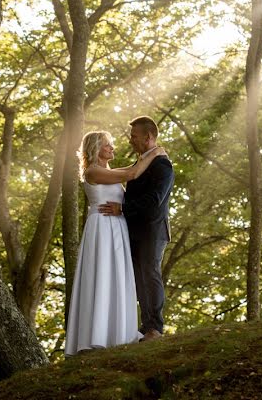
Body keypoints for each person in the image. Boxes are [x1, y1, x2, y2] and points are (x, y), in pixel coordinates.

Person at [64, 130, 166, 356]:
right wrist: (155, 152)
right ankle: (96, 335)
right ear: (95, 149)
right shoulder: (92, 171)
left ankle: (116, 332)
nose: (112, 149)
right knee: (102, 276)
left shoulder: (108, 171)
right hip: (102, 228)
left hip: (117, 228)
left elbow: (133, 174)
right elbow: (132, 173)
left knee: (117, 277)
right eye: (108, 145)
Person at [99, 116, 174, 341]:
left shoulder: (162, 165)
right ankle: (144, 327)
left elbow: (155, 199)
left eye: (134, 136)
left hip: (153, 230)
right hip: (133, 231)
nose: (131, 140)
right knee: (139, 279)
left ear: (148, 137)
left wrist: (122, 208)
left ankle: (155, 328)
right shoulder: (139, 163)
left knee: (150, 274)